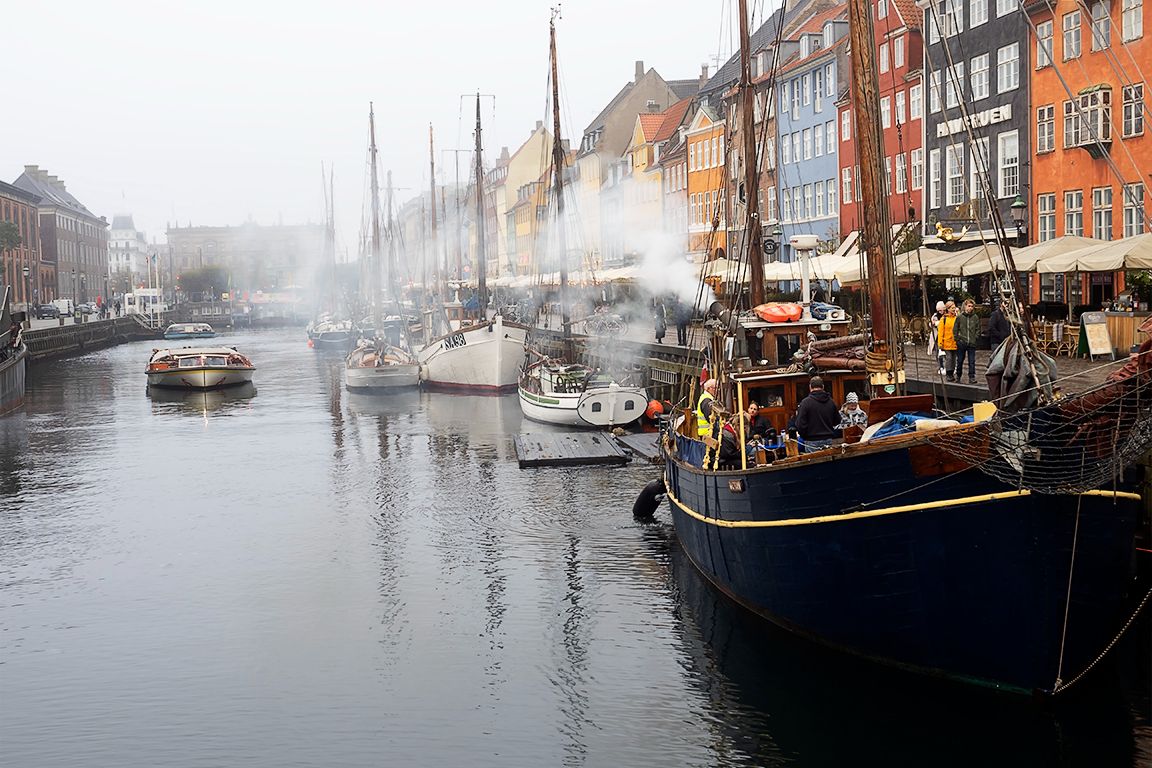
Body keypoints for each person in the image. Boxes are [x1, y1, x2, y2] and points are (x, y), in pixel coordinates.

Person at [795, 376, 841, 452]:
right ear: (823, 386)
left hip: (811, 441)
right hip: (828, 440)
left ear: (810, 387)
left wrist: (804, 436)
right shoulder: (831, 402)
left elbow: (800, 425)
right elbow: (837, 421)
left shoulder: (805, 403)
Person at [953, 298, 981, 384]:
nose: (970, 308)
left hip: (971, 342)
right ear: (965, 306)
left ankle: (971, 377)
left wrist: (975, 337)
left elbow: (978, 329)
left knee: (971, 361)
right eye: (969, 306)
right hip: (962, 342)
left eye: (972, 306)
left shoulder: (975, 317)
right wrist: (958, 339)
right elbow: (955, 329)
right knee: (960, 360)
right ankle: (958, 375)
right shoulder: (960, 317)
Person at [937, 302, 958, 381]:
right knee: (949, 358)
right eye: (952, 308)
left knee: (954, 358)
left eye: (954, 307)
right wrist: (940, 343)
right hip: (947, 342)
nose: (954, 309)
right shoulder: (944, 319)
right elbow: (940, 332)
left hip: (955, 342)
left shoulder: (956, 318)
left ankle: (952, 373)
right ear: (948, 309)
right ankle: (949, 373)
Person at [928, 300, 945, 371]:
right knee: (938, 352)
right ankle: (940, 366)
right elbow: (930, 324)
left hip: (944, 336)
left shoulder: (946, 316)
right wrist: (933, 324)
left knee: (946, 353)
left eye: (942, 310)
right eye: (939, 310)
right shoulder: (934, 316)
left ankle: (948, 366)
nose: (941, 311)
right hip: (936, 336)